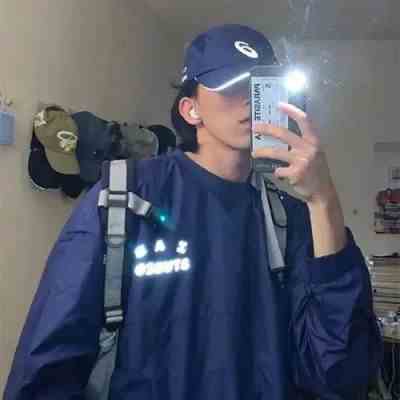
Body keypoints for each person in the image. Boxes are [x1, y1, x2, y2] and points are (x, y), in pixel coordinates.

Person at [4, 23, 383, 400]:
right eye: (231, 87)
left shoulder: (291, 219)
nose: (249, 100)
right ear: (190, 109)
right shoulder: (123, 195)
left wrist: (324, 199)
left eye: (259, 86)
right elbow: (48, 368)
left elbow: (338, 375)